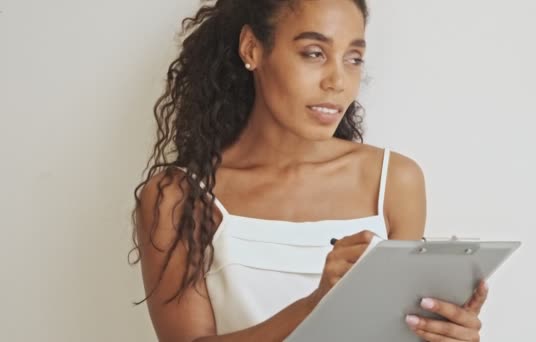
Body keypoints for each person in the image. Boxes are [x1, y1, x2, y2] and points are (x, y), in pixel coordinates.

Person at [129, 0, 489, 341]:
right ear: (252, 49)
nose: (337, 81)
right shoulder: (178, 197)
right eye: (314, 53)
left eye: (354, 58)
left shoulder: (392, 182)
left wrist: (442, 332)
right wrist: (315, 304)